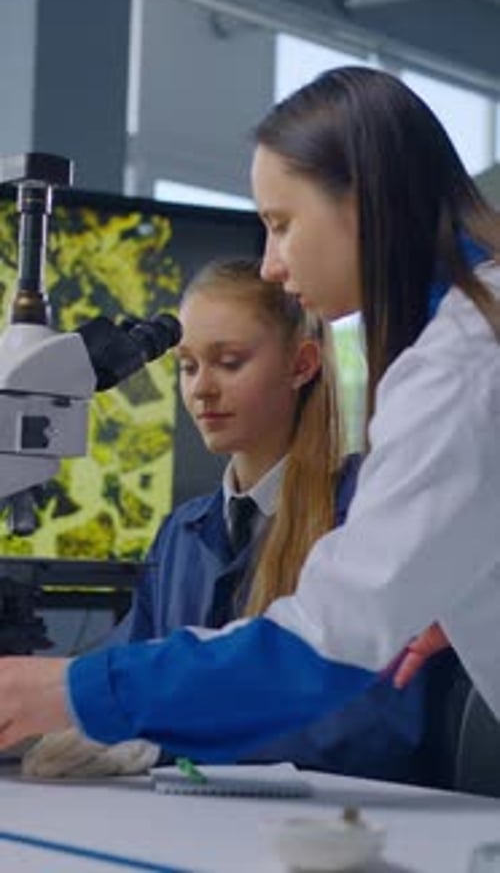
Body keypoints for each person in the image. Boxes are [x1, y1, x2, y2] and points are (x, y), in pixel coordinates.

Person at [1, 66, 500, 764]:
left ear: (363, 200)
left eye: (281, 224)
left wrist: (72, 690)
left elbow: (324, 648)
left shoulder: (460, 364)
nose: (270, 264)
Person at [22, 259, 429, 784]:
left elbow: (371, 723)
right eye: (188, 367)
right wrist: (38, 712)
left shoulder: (368, 511)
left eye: (229, 363)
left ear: (302, 365)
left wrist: (159, 738)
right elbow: (120, 666)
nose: (201, 390)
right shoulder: (182, 534)